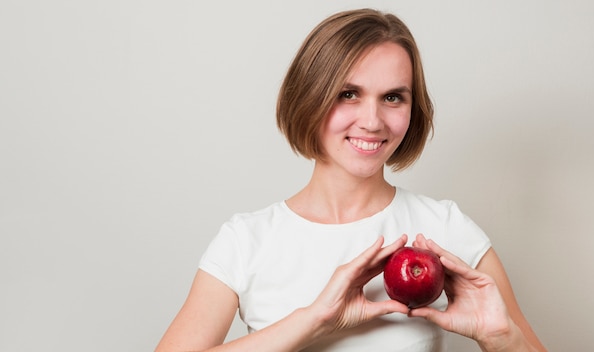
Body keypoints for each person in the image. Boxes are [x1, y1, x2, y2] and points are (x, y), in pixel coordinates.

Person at [155, 8, 547, 352]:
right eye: (348, 93)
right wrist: (313, 321)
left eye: (393, 97)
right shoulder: (245, 241)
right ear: (309, 96)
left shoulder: (445, 230)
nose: (373, 121)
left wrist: (501, 340)